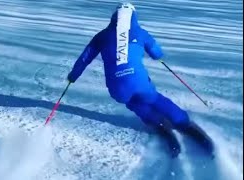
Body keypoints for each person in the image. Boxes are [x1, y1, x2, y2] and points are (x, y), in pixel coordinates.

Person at [67, 2, 214, 158]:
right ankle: (184, 123)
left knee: (133, 102)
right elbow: (157, 53)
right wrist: (156, 55)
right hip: (140, 82)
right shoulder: (140, 33)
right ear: (134, 16)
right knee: (154, 99)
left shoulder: (101, 36)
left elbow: (84, 59)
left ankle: (160, 126)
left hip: (117, 89)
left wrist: (73, 76)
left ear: (114, 16)